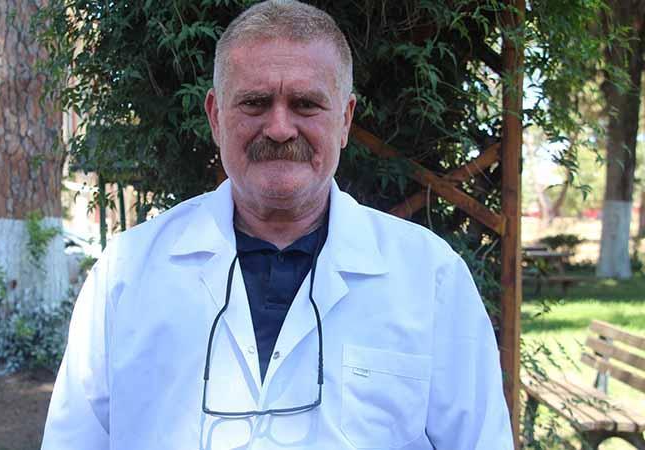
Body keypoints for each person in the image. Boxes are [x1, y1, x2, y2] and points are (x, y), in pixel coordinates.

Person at [42, 1, 514, 449]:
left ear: (345, 120)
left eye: (306, 104)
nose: (280, 128)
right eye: (255, 103)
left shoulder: (430, 279)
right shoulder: (126, 274)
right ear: (215, 117)